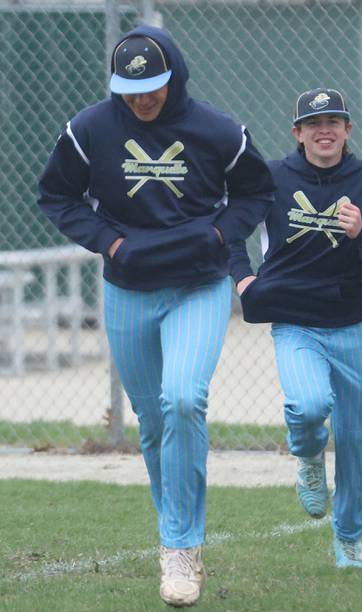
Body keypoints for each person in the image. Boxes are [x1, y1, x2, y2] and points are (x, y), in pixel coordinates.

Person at [37, 26, 274, 607]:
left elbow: (256, 192)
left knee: (184, 399)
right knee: (152, 422)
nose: (143, 100)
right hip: (128, 289)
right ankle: (175, 528)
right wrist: (110, 244)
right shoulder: (89, 129)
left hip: (198, 285)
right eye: (131, 90)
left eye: (154, 88)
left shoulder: (218, 130)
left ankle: (181, 548)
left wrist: (220, 233)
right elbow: (57, 197)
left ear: (175, 76)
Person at [229, 88, 362, 569]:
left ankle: (349, 536)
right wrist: (244, 278)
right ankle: (309, 456)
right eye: (314, 123)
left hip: (351, 326)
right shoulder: (270, 178)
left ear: (349, 131)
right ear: (297, 133)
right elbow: (228, 226)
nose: (324, 130)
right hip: (294, 323)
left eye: (334, 121)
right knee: (308, 406)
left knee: (355, 439)